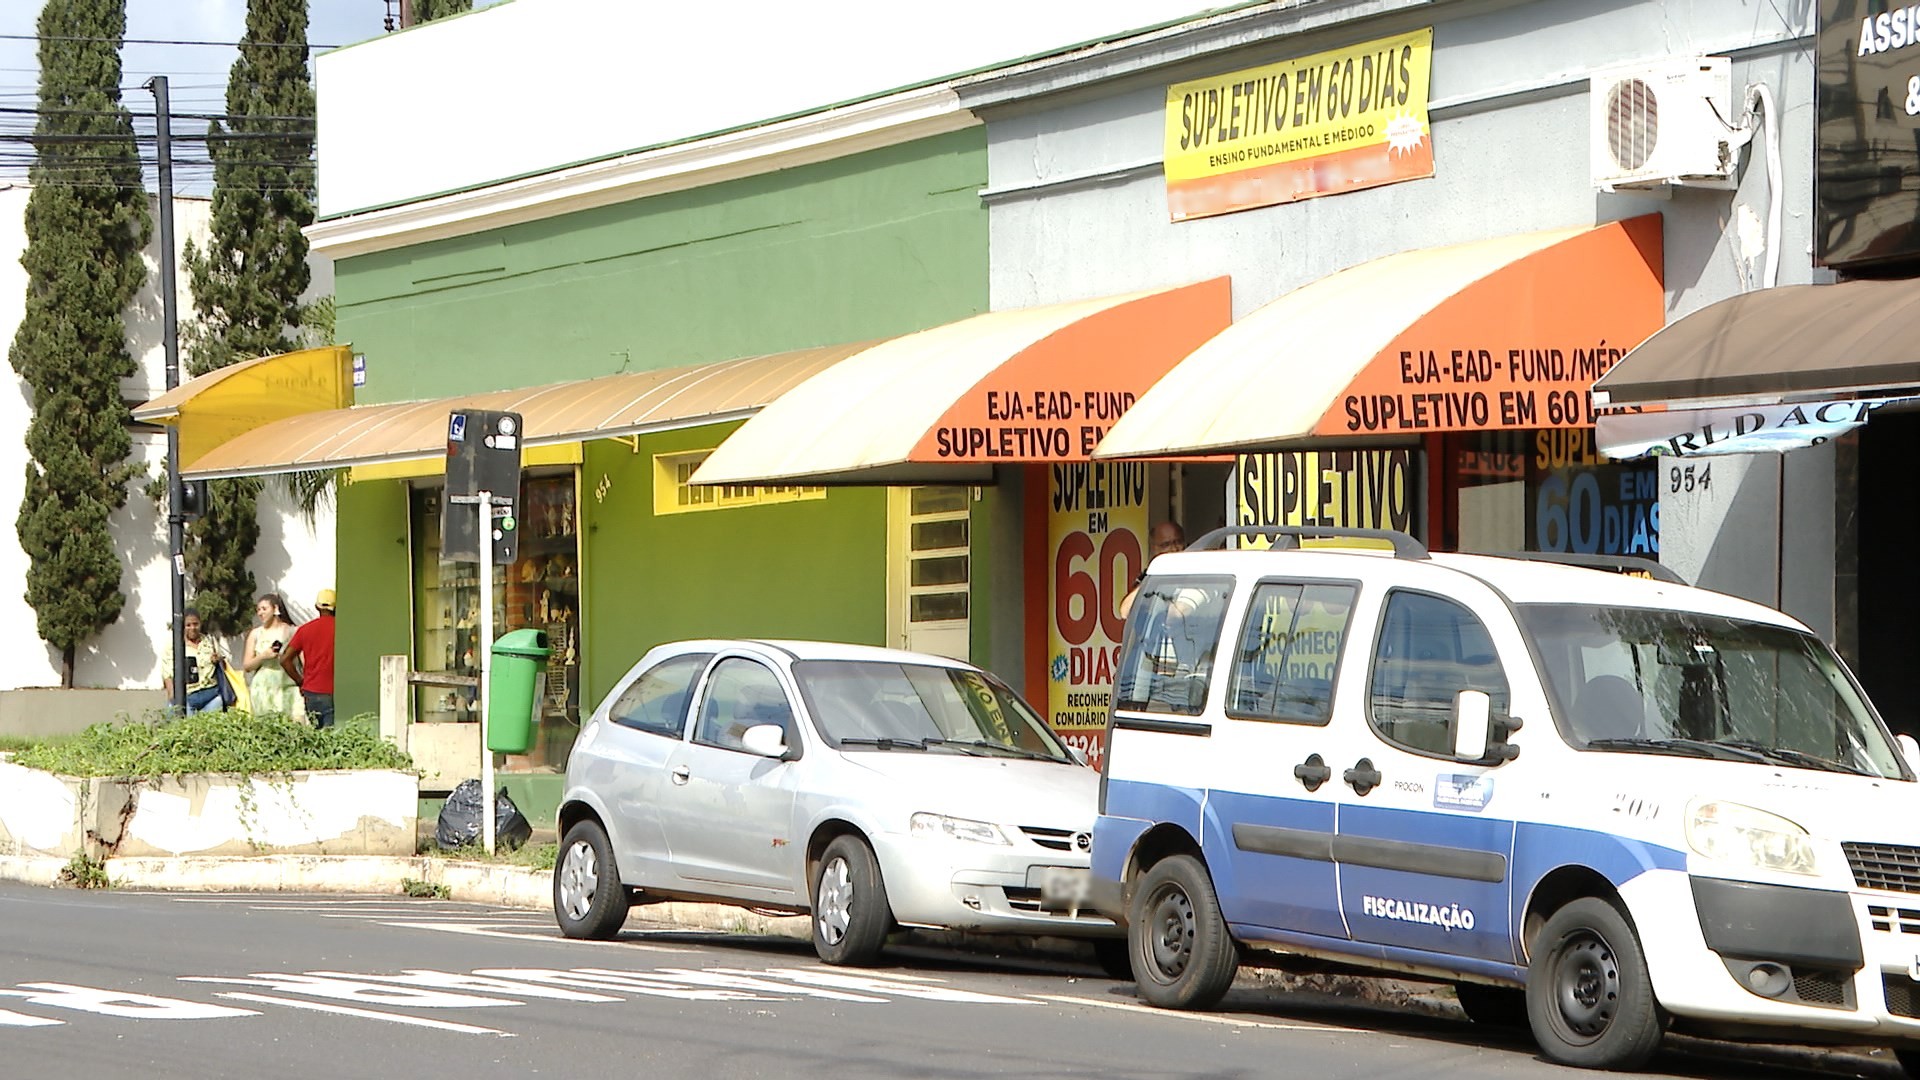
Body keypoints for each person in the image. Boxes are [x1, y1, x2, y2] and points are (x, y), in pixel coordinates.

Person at [281, 588, 337, 729]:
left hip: (311, 692)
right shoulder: (342, 629)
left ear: (317, 607)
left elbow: (285, 660)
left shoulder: (305, 630)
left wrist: (300, 681)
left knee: (318, 739)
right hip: (335, 691)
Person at [242, 593, 301, 718]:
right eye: (258, 610)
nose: (260, 613)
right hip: (263, 689)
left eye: (264, 609)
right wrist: (263, 656)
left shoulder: (292, 631)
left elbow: (303, 659)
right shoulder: (255, 634)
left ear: (275, 609)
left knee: (296, 720)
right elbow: (247, 666)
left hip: (288, 685)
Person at [161, 609, 229, 714]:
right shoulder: (173, 646)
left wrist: (217, 660)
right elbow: (167, 674)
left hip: (211, 694)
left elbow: (223, 668)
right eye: (188, 625)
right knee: (186, 727)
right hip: (188, 696)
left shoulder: (209, 641)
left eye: (195, 624)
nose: (192, 628)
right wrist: (173, 697)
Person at [1118, 520, 1187, 621]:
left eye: (1178, 542)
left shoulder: (1194, 572)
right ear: (1154, 548)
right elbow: (1125, 612)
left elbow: (1178, 613)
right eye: (1166, 544)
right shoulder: (1150, 576)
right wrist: (1152, 580)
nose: (1173, 549)